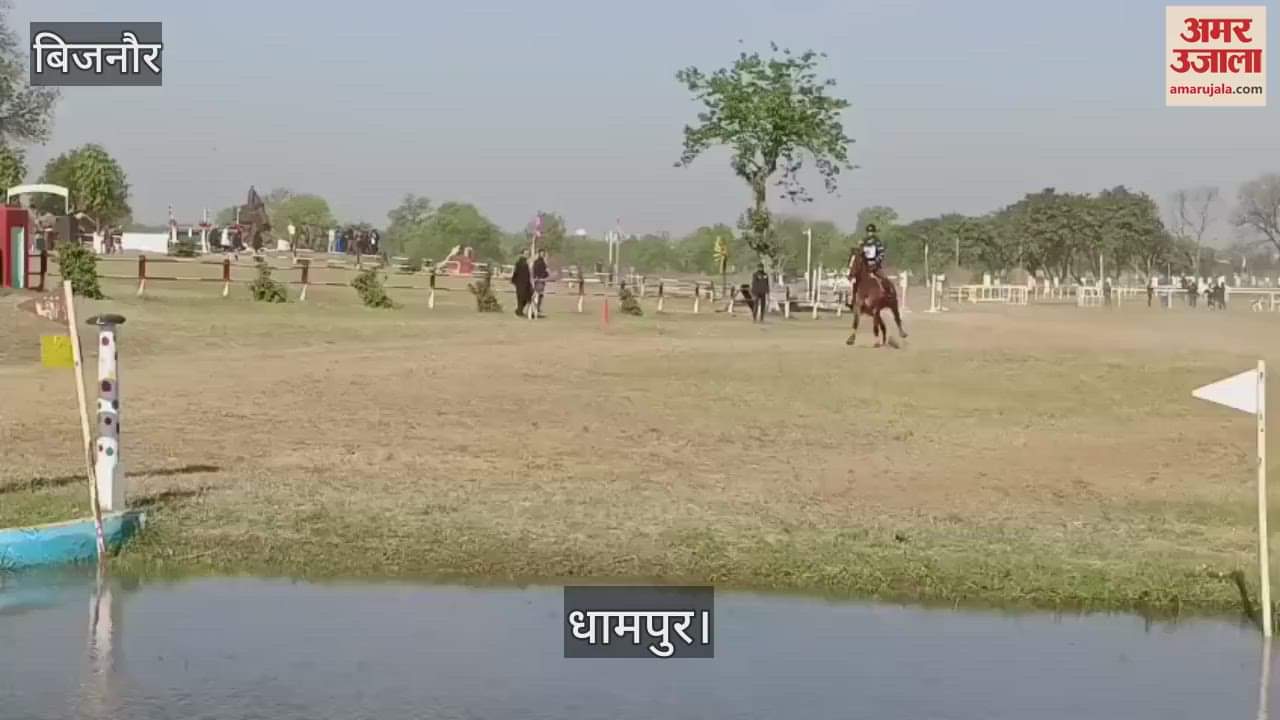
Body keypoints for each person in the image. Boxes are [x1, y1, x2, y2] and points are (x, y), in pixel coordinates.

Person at [850, 223, 889, 297]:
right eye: (868, 232)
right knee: (856, 279)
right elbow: (860, 253)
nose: (870, 233)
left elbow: (881, 254)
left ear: (874, 232)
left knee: (884, 279)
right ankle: (854, 297)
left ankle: (888, 295)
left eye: (871, 232)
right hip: (864, 265)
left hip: (875, 266)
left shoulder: (877, 242)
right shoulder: (863, 241)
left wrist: (875, 262)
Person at [511, 249, 533, 317]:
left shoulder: (526, 262)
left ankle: (519, 310)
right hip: (520, 282)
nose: (527, 255)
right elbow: (515, 272)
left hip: (526, 283)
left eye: (528, 254)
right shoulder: (519, 262)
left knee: (527, 297)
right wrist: (514, 281)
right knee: (521, 297)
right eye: (526, 253)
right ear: (522, 254)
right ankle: (519, 311)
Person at [532, 249, 550, 317]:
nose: (542, 254)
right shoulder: (537, 262)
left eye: (543, 253)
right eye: (541, 253)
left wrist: (545, 275)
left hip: (541, 280)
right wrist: (537, 277)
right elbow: (535, 271)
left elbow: (545, 271)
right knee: (538, 295)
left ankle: (537, 309)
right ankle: (536, 309)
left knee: (540, 295)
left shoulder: (543, 262)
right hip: (539, 280)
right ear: (539, 254)